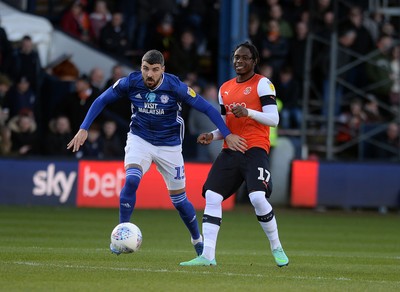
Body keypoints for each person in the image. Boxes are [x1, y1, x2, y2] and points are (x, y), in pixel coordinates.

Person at [66, 50, 246, 257]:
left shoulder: (175, 86)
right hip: (139, 139)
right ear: (140, 67)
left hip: (169, 146)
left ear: (162, 70)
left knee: (180, 201)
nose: (149, 74)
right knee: (131, 181)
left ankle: (197, 239)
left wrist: (227, 134)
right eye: (145, 69)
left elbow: (207, 108)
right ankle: (122, 235)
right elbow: (101, 100)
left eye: (154, 70)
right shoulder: (130, 82)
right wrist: (84, 128)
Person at [180, 42, 289, 267]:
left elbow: (274, 120)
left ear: (254, 61)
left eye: (244, 58)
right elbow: (226, 126)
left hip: (256, 149)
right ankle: (208, 255)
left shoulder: (263, 84)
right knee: (211, 195)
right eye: (236, 57)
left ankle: (276, 246)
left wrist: (248, 111)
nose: (239, 61)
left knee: (257, 198)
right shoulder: (225, 89)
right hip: (231, 150)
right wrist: (212, 135)